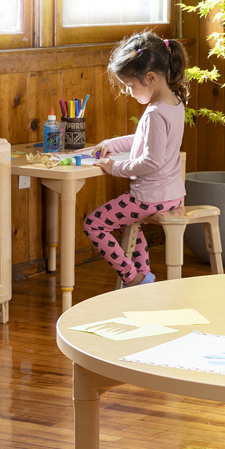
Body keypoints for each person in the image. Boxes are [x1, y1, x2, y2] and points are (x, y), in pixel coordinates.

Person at [83, 31, 189, 287]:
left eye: (130, 85)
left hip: (150, 197)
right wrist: (110, 144)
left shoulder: (154, 113)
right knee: (131, 223)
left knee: (94, 224)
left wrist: (115, 167)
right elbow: (142, 140)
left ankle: (132, 277)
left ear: (151, 78)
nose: (129, 92)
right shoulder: (174, 105)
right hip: (172, 193)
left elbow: (151, 161)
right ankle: (144, 277)